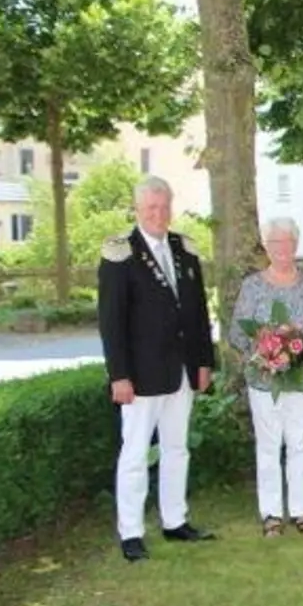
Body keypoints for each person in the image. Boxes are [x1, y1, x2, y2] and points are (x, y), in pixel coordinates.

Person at [97, 176, 217, 562]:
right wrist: (119, 375)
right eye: (151, 207)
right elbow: (111, 322)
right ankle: (131, 533)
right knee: (134, 455)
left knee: (176, 449)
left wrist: (203, 362)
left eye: (164, 206)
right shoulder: (120, 254)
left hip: (181, 371)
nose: (159, 214)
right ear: (137, 209)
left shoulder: (185, 250)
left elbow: (198, 313)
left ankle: (174, 520)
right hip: (141, 376)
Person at [228, 217, 303, 536]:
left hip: (301, 380)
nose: (282, 249)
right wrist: (262, 355)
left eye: (287, 242)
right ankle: (271, 514)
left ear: (296, 245)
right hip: (264, 381)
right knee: (269, 446)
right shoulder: (253, 287)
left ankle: (301, 512)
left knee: (299, 444)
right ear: (267, 247)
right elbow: (236, 332)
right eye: (275, 243)